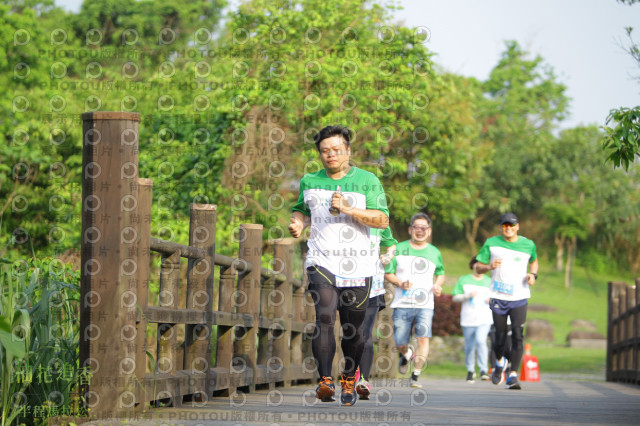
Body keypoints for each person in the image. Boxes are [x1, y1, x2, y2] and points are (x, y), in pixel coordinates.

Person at [288, 125, 389, 406]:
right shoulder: (309, 180)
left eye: (336, 150)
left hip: (360, 266)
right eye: (324, 151)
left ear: (348, 151)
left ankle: (348, 377)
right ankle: (324, 381)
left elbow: (382, 220)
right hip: (322, 261)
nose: (330, 155)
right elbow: (302, 209)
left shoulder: (368, 181)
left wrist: (349, 209)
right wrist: (298, 223)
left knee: (353, 331)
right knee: (323, 317)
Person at [475, 212, 538, 390]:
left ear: (517, 226)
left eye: (511, 225)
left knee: (518, 335)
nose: (508, 228)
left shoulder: (528, 244)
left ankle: (513, 375)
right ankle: (499, 364)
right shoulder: (491, 243)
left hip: (519, 297)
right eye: (505, 225)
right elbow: (478, 267)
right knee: (499, 337)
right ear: (501, 227)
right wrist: (489, 266)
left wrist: (533, 275)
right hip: (498, 297)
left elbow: (534, 261)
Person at [384, 212, 444, 388]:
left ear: (429, 231)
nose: (420, 231)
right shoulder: (398, 248)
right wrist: (400, 283)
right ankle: (407, 353)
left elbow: (440, 273)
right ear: (410, 229)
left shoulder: (434, 252)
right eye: (416, 227)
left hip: (425, 304)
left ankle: (415, 375)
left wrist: (438, 285)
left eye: (424, 228)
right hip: (402, 303)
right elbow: (388, 273)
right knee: (400, 341)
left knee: (423, 338)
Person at [355, 227, 397, 400]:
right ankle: (351, 375)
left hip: (373, 284)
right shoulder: (343, 216)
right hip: (346, 282)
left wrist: (389, 255)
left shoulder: (379, 219)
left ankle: (363, 379)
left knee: (365, 332)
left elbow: (391, 244)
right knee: (352, 332)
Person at [452, 257, 493, 383]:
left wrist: (491, 300)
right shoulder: (464, 280)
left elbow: (497, 298)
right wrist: (467, 295)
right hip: (468, 318)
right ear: (473, 265)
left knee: (481, 341)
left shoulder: (490, 281)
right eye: (477, 264)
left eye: (482, 264)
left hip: (485, 317)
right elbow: (455, 297)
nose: (479, 266)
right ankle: (470, 370)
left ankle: (483, 370)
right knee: (469, 346)